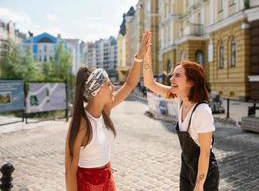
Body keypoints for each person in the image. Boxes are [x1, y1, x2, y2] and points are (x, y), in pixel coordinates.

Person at [65, 32, 151, 191]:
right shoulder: (81, 123)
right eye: (109, 84)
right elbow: (70, 170)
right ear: (96, 91)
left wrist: (139, 55)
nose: (113, 88)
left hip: (107, 178)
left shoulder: (105, 110)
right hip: (88, 184)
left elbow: (130, 84)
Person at [143, 31, 219, 191]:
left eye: (177, 75)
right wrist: (147, 55)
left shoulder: (202, 112)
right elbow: (150, 84)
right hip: (186, 168)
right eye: (172, 75)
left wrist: (199, 185)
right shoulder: (180, 99)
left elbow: (205, 153)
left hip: (204, 174)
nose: (171, 78)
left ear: (191, 81)